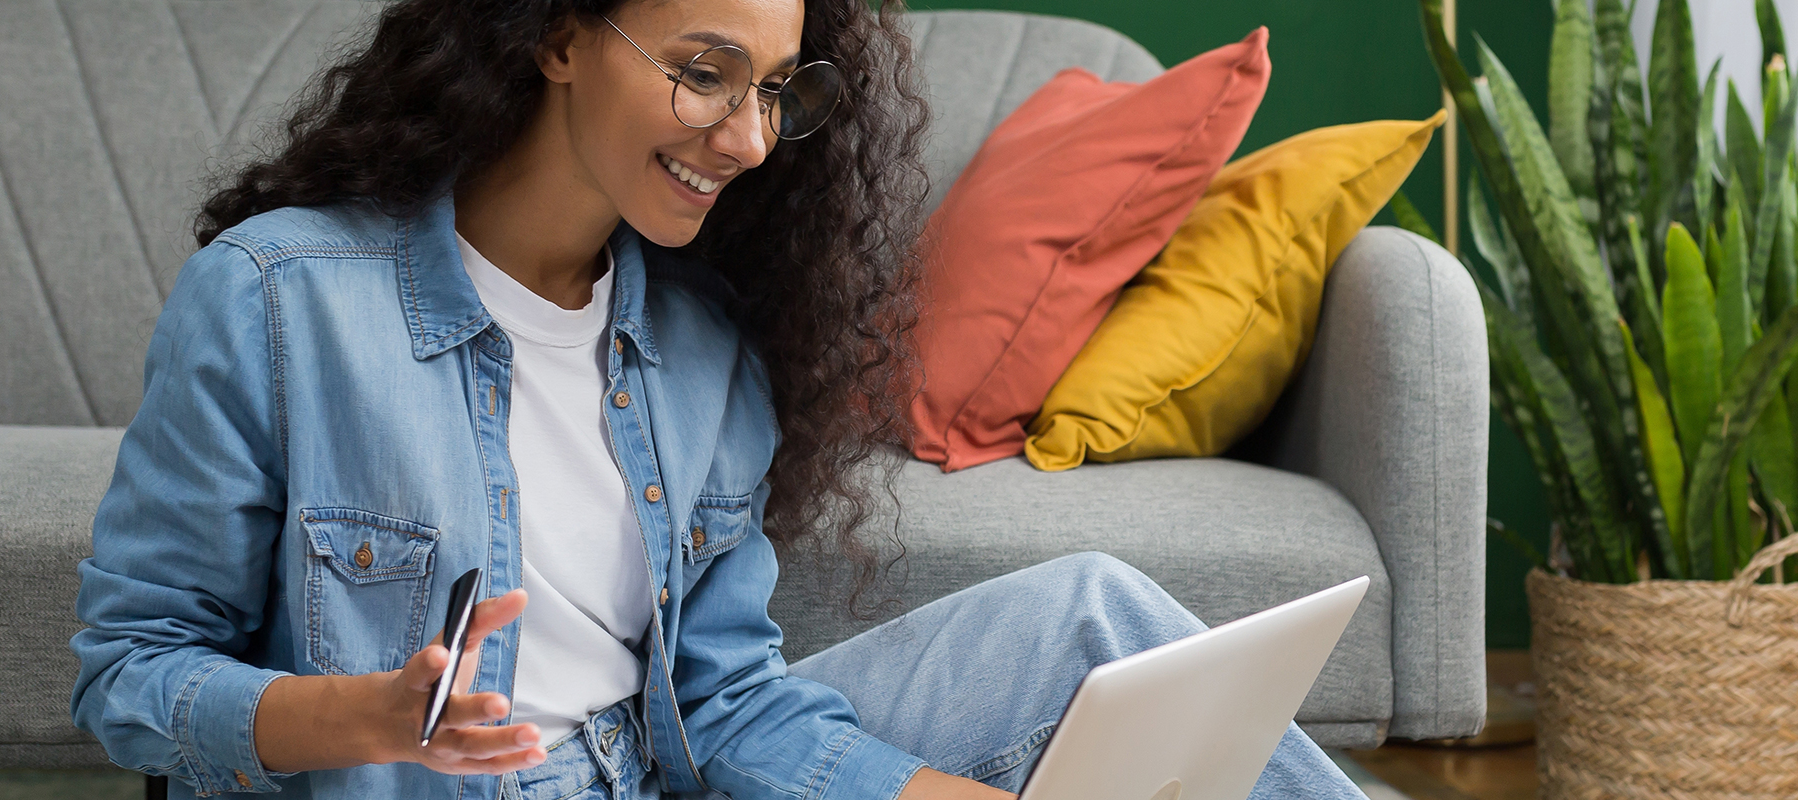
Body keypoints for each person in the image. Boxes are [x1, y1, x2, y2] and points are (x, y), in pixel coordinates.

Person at [67, 0, 1371, 798]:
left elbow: (726, 706)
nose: (747, 141)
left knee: (1095, 612)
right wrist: (351, 716)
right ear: (558, 36)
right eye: (704, 72)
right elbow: (129, 680)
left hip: (648, 774)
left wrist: (933, 798)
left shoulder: (702, 346)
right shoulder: (279, 300)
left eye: (775, 91)